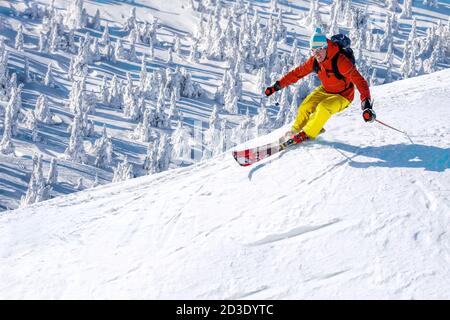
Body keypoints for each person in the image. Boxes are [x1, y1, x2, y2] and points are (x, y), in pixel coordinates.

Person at [265, 28, 376, 143]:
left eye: (319, 50)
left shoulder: (340, 61)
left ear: (326, 47)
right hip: (326, 90)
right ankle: (294, 131)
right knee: (305, 106)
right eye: (313, 50)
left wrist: (366, 103)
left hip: (343, 95)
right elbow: (297, 73)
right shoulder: (315, 61)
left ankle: (307, 134)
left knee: (323, 107)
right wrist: (277, 86)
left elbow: (360, 81)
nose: (316, 54)